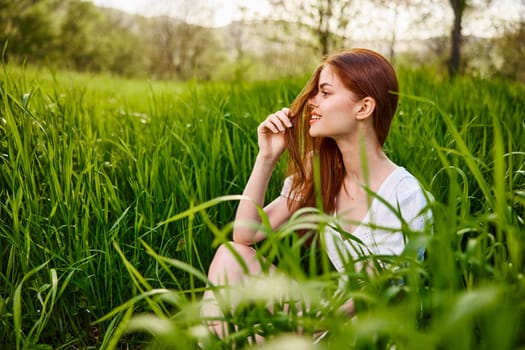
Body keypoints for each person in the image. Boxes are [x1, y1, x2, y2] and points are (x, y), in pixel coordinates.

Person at [201, 48, 432, 338]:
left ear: (364, 107)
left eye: (325, 93)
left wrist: (295, 329)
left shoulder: (404, 194)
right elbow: (245, 235)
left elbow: (378, 290)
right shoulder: (322, 171)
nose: (312, 101)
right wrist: (267, 158)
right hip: (332, 314)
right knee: (231, 255)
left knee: (261, 339)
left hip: (375, 332)